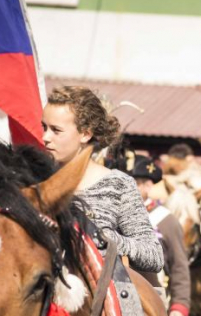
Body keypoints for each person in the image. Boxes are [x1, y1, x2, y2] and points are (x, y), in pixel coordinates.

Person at [41, 86, 163, 273]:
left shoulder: (118, 184)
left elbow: (153, 256)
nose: (45, 137)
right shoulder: (34, 181)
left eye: (56, 130)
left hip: (101, 297)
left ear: (85, 134)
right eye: (44, 127)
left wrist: (106, 238)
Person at [130, 156, 191, 316]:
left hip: (153, 300)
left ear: (147, 186)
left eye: (131, 183)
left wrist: (180, 305)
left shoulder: (165, 220)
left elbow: (179, 265)